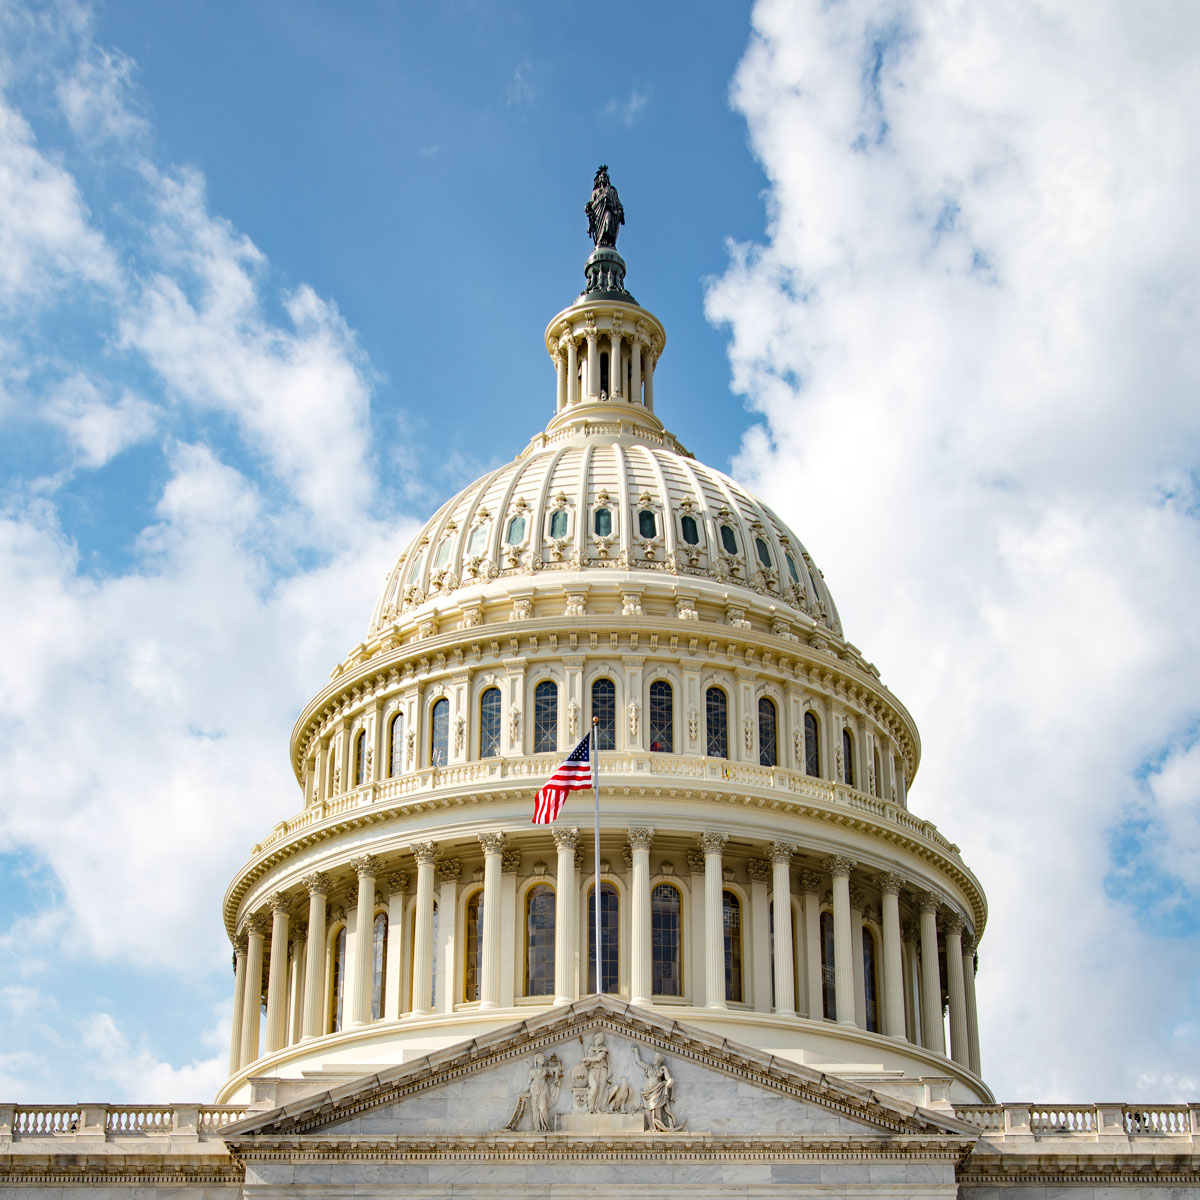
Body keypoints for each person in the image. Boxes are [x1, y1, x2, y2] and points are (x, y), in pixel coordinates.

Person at [635, 1049, 677, 1131]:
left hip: (657, 1091)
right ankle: (651, 1127)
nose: (653, 1059)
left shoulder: (662, 1068)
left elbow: (668, 1079)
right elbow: (638, 1062)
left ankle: (657, 1126)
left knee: (655, 1108)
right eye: (654, 1058)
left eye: (655, 1058)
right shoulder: (649, 1067)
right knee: (647, 1111)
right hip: (647, 1092)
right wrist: (636, 1051)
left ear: (659, 1060)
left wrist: (666, 1072)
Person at [586, 166, 624, 249]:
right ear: (599, 179)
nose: (604, 178)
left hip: (609, 210)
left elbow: (617, 202)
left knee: (608, 222)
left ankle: (609, 242)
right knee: (600, 230)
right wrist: (588, 206)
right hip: (598, 214)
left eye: (605, 177)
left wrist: (620, 209)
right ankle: (601, 242)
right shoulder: (595, 192)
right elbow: (591, 203)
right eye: (602, 177)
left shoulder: (612, 190)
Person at [580, 1032, 611, 1113]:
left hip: (602, 1069)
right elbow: (588, 1063)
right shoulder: (590, 1049)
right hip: (593, 1070)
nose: (601, 1041)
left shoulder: (603, 1049)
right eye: (600, 1039)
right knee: (594, 1088)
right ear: (595, 1039)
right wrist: (586, 1062)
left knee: (601, 1089)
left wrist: (586, 1058)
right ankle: (590, 1108)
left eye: (602, 1039)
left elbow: (598, 1058)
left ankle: (597, 1108)